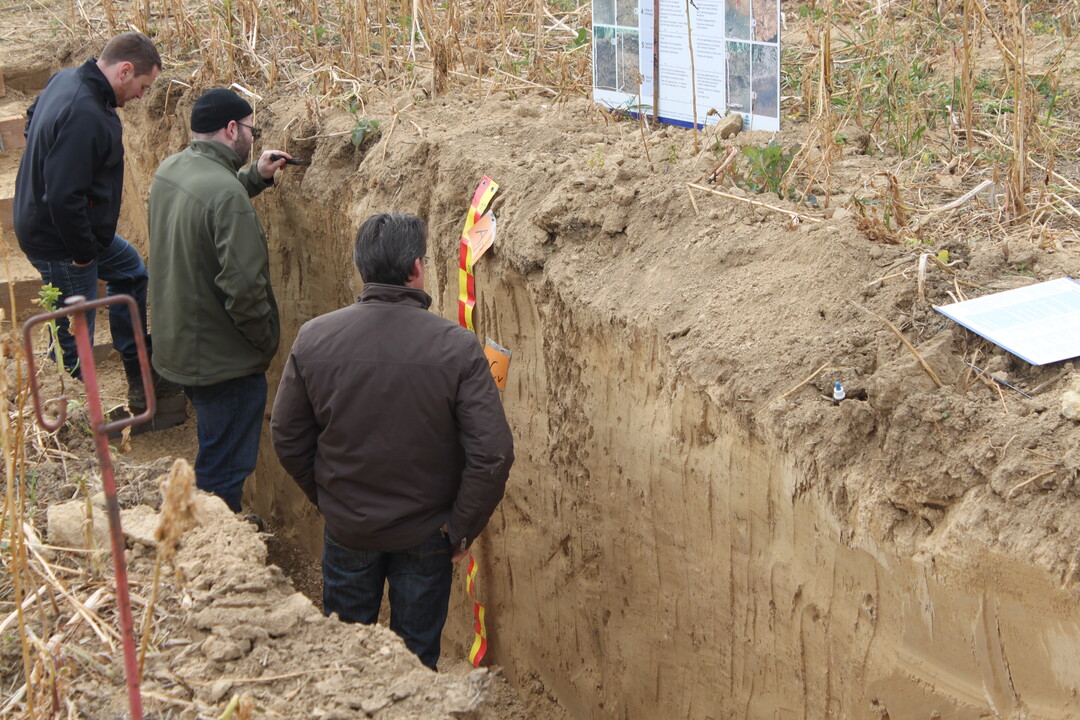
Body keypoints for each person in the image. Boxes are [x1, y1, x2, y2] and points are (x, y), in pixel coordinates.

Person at [270, 213, 514, 670]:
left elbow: (287, 435)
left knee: (345, 657)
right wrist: (459, 528)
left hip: (348, 528)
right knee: (416, 664)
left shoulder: (314, 338)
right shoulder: (457, 347)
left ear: (362, 267)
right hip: (427, 533)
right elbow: (492, 454)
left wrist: (328, 498)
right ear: (417, 268)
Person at [148, 88, 294, 513]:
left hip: (181, 350)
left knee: (214, 448)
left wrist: (255, 177)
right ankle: (213, 549)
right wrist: (262, 343)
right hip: (222, 365)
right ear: (233, 129)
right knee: (224, 468)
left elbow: (203, 213)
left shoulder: (171, 169)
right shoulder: (226, 198)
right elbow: (244, 289)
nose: (252, 137)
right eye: (251, 129)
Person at [13, 31, 171, 414]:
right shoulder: (86, 114)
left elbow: (33, 116)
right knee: (73, 335)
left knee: (132, 272)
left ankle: (138, 371)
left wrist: (45, 151)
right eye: (143, 86)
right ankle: (75, 418)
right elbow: (64, 198)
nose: (141, 96)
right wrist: (84, 255)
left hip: (75, 230)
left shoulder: (67, 79)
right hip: (63, 243)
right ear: (125, 70)